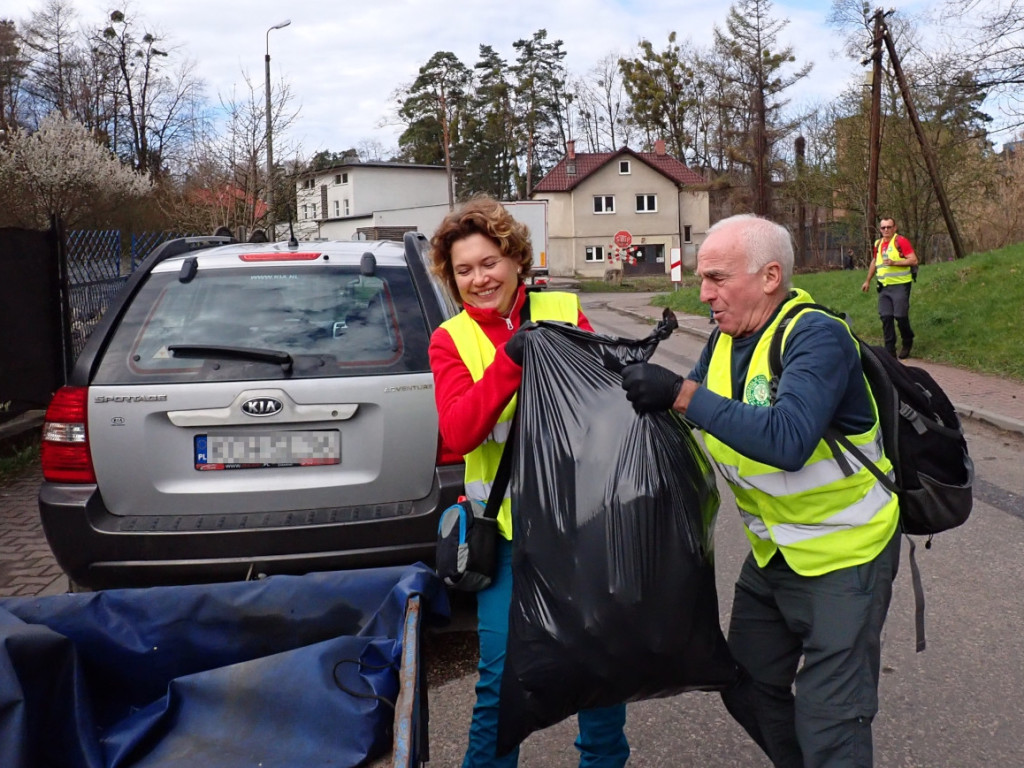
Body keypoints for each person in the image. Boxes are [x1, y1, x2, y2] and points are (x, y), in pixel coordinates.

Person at [620, 214, 900, 768]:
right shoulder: (725, 340)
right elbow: (696, 419)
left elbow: (788, 439)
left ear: (770, 276)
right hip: (776, 552)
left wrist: (678, 393)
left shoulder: (815, 336)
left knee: (832, 724)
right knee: (744, 682)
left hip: (846, 554)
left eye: (718, 278)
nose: (705, 294)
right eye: (703, 279)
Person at [428, 196, 630, 768]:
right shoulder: (452, 340)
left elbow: (607, 404)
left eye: (488, 262)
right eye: (463, 270)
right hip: (509, 537)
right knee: (500, 684)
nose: (477, 279)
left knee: (599, 674)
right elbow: (462, 429)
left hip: (582, 527)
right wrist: (512, 359)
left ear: (516, 258)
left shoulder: (564, 308)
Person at [861, 218, 917, 358]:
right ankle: (889, 350)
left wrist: (894, 262)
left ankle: (907, 340)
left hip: (900, 285)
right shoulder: (878, 244)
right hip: (884, 287)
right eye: (883, 228)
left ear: (894, 228)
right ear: (880, 229)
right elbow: (875, 261)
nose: (886, 230)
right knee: (885, 317)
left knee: (900, 316)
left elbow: (913, 260)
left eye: (889, 227)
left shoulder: (901, 241)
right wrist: (867, 280)